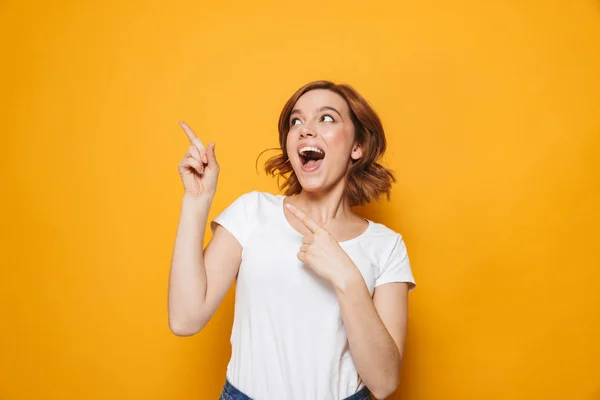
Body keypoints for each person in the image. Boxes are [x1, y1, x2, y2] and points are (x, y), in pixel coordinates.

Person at [168, 80, 416, 400]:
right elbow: (185, 319)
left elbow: (384, 383)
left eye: (326, 118)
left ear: (358, 147)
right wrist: (196, 201)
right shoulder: (252, 213)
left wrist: (347, 278)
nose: (305, 129)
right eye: (296, 121)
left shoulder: (387, 246)